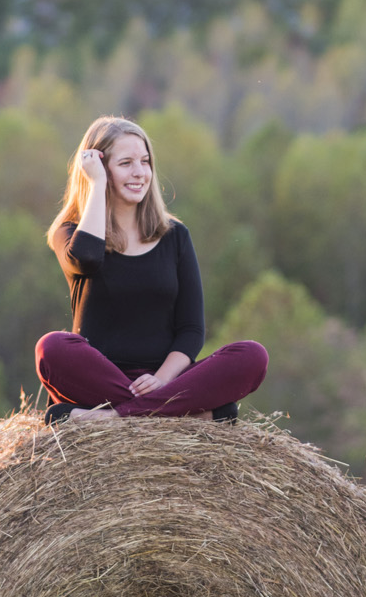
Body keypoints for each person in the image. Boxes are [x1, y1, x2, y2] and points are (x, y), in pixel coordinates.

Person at [36, 115, 268, 422]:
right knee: (51, 347)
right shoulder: (69, 233)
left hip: (169, 381)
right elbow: (87, 260)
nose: (139, 173)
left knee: (252, 356)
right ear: (100, 170)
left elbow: (191, 329)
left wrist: (161, 381)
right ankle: (180, 416)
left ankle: (114, 419)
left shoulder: (175, 236)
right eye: (126, 163)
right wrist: (97, 185)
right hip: (99, 382)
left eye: (145, 162)